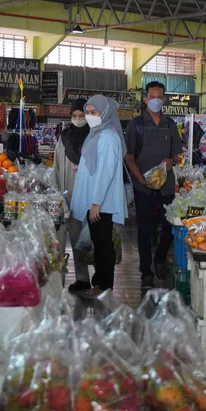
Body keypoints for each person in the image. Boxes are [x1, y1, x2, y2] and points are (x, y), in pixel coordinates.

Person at [124, 81, 182, 290]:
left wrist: (171, 162)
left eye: (159, 96)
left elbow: (175, 154)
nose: (156, 100)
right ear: (146, 99)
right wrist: (140, 179)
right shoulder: (136, 125)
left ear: (164, 99)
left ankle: (159, 259)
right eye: (152, 96)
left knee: (168, 226)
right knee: (145, 230)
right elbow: (129, 157)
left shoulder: (170, 124)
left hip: (166, 185)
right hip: (143, 186)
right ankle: (145, 272)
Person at [70, 95, 127, 299]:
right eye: (88, 112)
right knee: (99, 241)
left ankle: (105, 286)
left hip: (101, 203)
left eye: (94, 112)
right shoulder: (96, 134)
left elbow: (105, 172)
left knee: (103, 245)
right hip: (96, 202)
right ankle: (100, 283)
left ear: (104, 113)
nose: (89, 116)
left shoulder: (109, 137)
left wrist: (96, 203)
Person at [54, 98, 90, 292]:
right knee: (76, 238)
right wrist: (59, 193)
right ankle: (82, 278)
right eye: (74, 116)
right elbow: (57, 165)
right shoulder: (64, 137)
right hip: (70, 195)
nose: (78, 119)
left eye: (82, 116)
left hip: (92, 197)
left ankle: (100, 277)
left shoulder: (94, 136)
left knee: (95, 238)